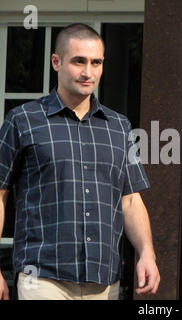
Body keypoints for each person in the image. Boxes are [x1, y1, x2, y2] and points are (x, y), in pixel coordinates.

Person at [0, 23, 160, 300]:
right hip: (43, 277)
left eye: (96, 62)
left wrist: (147, 253)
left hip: (105, 281)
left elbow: (131, 200)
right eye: (79, 61)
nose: (88, 72)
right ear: (56, 61)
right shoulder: (23, 120)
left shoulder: (119, 126)